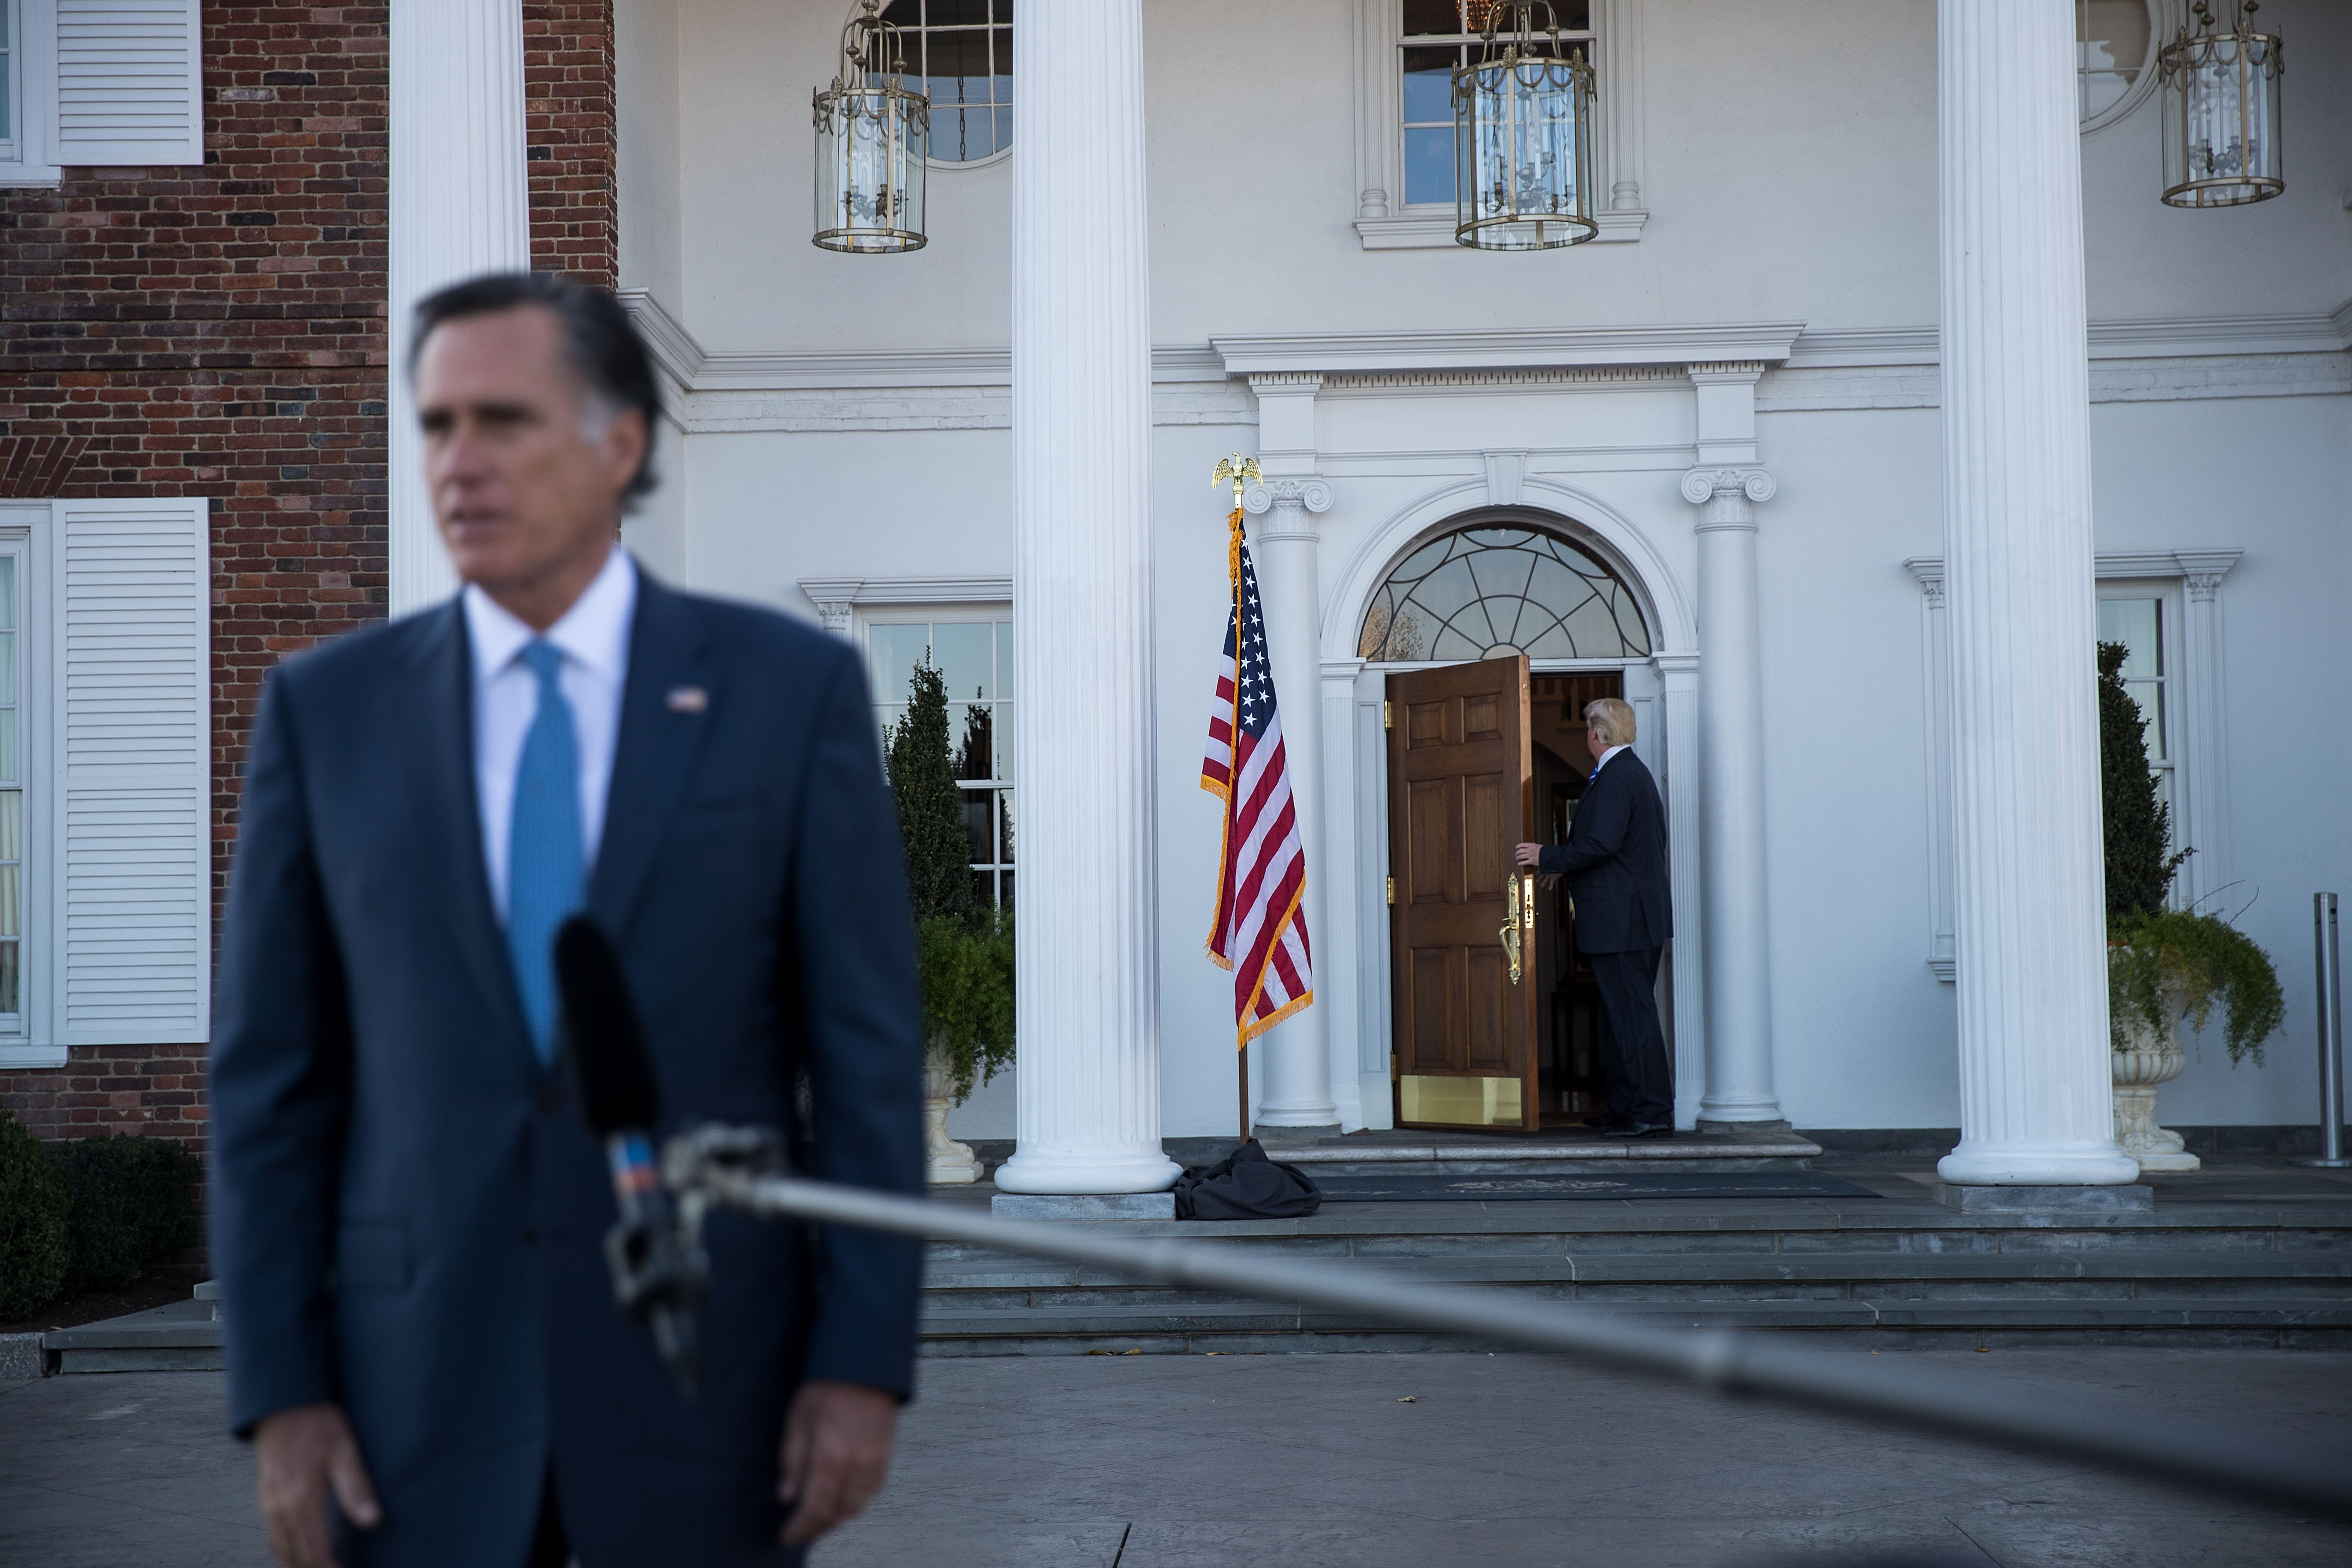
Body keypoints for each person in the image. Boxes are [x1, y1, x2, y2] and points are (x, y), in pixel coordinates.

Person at [209, 272, 925, 1568]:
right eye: (436, 425)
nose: (458, 464)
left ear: (619, 445)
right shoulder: (327, 712)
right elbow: (271, 1086)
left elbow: (866, 1067)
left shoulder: (787, 692)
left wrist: (863, 1364)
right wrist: (281, 1392)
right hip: (406, 1406)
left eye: (504, 421)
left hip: (711, 1390)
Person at [1514, 697, 1674, 1139]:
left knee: (1634, 1017)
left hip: (1626, 921)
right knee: (1619, 1018)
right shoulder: (1623, 774)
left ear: (1597, 734)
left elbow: (1603, 843)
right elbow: (1616, 848)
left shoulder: (1619, 776)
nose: (1587, 734)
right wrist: (1563, 865)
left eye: (1590, 727)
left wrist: (1547, 855)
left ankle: (1653, 1111)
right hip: (1626, 918)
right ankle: (1625, 1107)